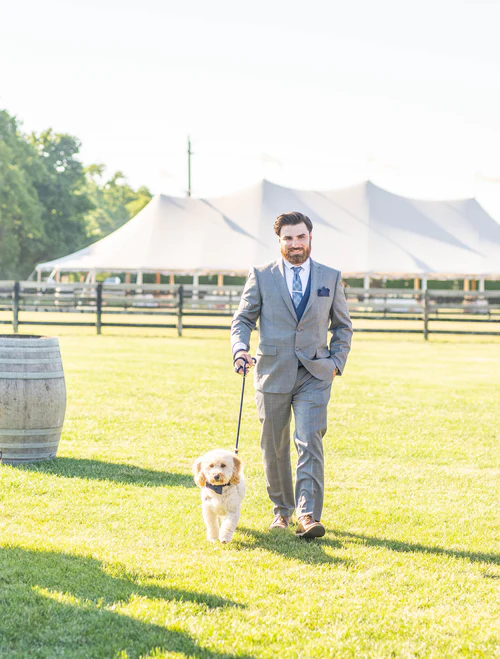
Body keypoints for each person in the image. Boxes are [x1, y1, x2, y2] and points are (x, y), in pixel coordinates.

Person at [231, 211, 352, 539]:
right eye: (288, 238)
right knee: (274, 445)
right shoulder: (261, 275)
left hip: (315, 372)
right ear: (279, 241)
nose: (295, 244)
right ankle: (281, 511)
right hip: (271, 372)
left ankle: (308, 514)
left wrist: (336, 361)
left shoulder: (330, 276)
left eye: (300, 237)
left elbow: (342, 325)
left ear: (310, 238)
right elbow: (242, 319)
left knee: (309, 439)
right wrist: (240, 348)